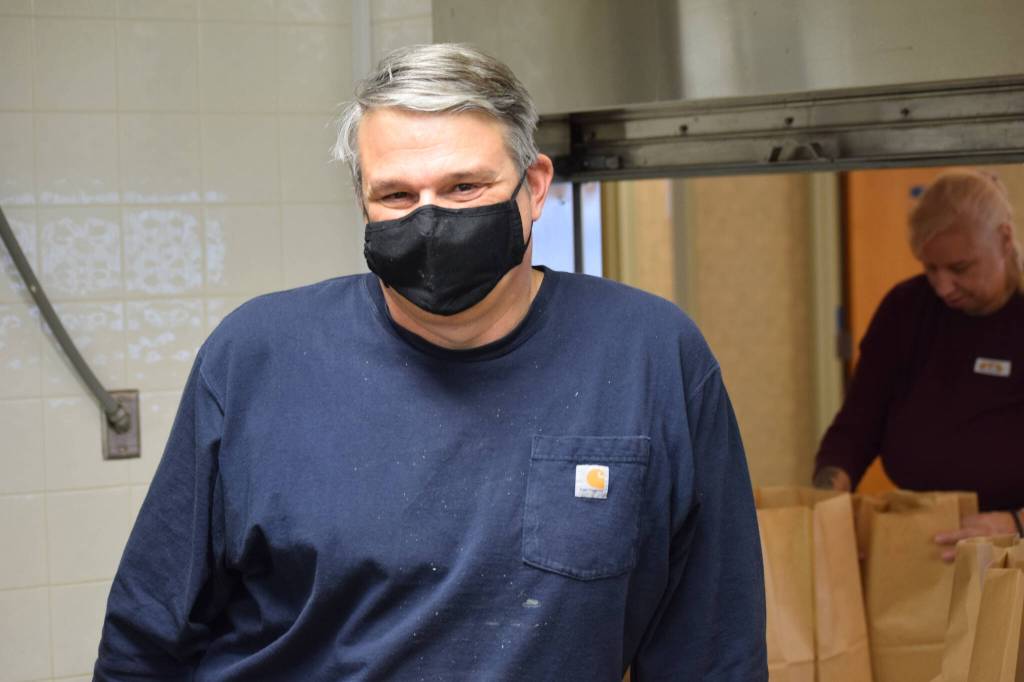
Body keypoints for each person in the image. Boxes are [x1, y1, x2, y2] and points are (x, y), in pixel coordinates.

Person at [94, 44, 766, 680]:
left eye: (465, 186)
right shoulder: (255, 357)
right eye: (395, 196)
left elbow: (713, 647)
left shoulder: (651, 356)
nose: (430, 220)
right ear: (363, 202)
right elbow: (147, 632)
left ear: (534, 188)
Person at [813, 169, 1024, 559]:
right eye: (930, 268)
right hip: (920, 543)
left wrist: (1013, 523)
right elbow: (858, 424)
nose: (943, 287)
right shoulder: (905, 308)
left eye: (959, 268)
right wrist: (829, 506)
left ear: (1005, 239)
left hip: (1012, 552)